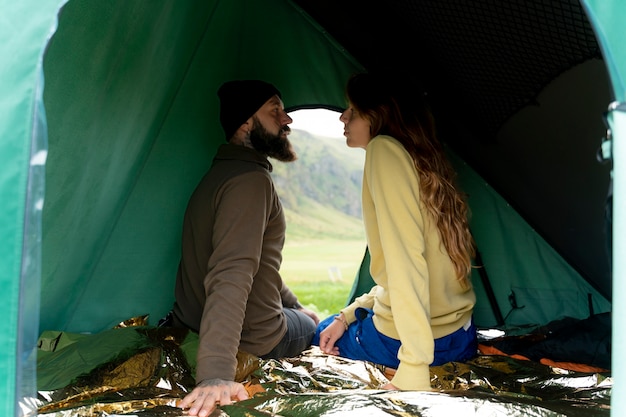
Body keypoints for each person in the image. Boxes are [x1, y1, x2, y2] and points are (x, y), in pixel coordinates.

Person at [313, 73, 477, 391]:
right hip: (460, 337)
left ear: (380, 116)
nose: (343, 116)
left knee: (318, 332)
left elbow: (406, 264)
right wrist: (347, 315)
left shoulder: (383, 151)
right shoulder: (425, 164)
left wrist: (413, 367)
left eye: (354, 110)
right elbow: (410, 272)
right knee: (336, 322)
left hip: (413, 345)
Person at [171, 79, 320, 416]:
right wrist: (215, 373)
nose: (287, 119)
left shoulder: (219, 175)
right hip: (255, 337)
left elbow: (257, 265)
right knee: (313, 326)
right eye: (275, 110)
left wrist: (296, 305)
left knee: (304, 314)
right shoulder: (251, 183)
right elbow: (232, 272)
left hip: (194, 323)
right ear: (245, 123)